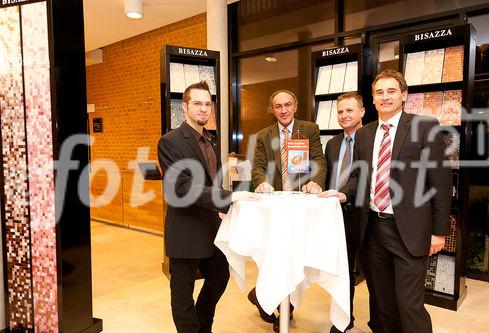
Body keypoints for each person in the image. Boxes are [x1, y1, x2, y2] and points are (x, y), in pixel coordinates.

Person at [332, 70, 452, 333]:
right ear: (372, 100)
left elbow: (441, 183)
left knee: (409, 304)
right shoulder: (364, 135)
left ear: (404, 95)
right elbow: (358, 175)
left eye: (391, 91)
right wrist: (342, 193)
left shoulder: (425, 126)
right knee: (382, 302)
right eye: (379, 92)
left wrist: (439, 232)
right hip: (373, 229)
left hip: (409, 230)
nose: (385, 97)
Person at [158, 81, 259, 333]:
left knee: (218, 277)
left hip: (211, 227)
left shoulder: (210, 141)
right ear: (185, 107)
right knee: (182, 293)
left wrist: (220, 208)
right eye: (197, 103)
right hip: (185, 229)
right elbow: (181, 187)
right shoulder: (170, 141)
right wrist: (230, 197)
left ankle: (204, 326)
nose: (203, 109)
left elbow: (210, 180)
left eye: (207, 104)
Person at [249, 89, 327, 332]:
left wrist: (316, 181)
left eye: (287, 105)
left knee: (297, 257)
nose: (283, 110)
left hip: (300, 204)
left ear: (295, 107)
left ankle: (264, 297)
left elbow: (318, 160)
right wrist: (260, 181)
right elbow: (258, 166)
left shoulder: (309, 129)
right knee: (276, 255)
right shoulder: (264, 135)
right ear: (273, 109)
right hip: (274, 206)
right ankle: (281, 307)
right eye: (278, 106)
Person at [320, 92, 381, 333]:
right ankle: (344, 320)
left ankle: (379, 323)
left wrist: (344, 192)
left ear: (362, 111)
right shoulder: (332, 144)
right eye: (340, 111)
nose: (344, 116)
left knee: (375, 273)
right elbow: (328, 177)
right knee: (341, 272)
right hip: (337, 215)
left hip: (367, 216)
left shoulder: (373, 139)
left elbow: (363, 177)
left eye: (349, 110)